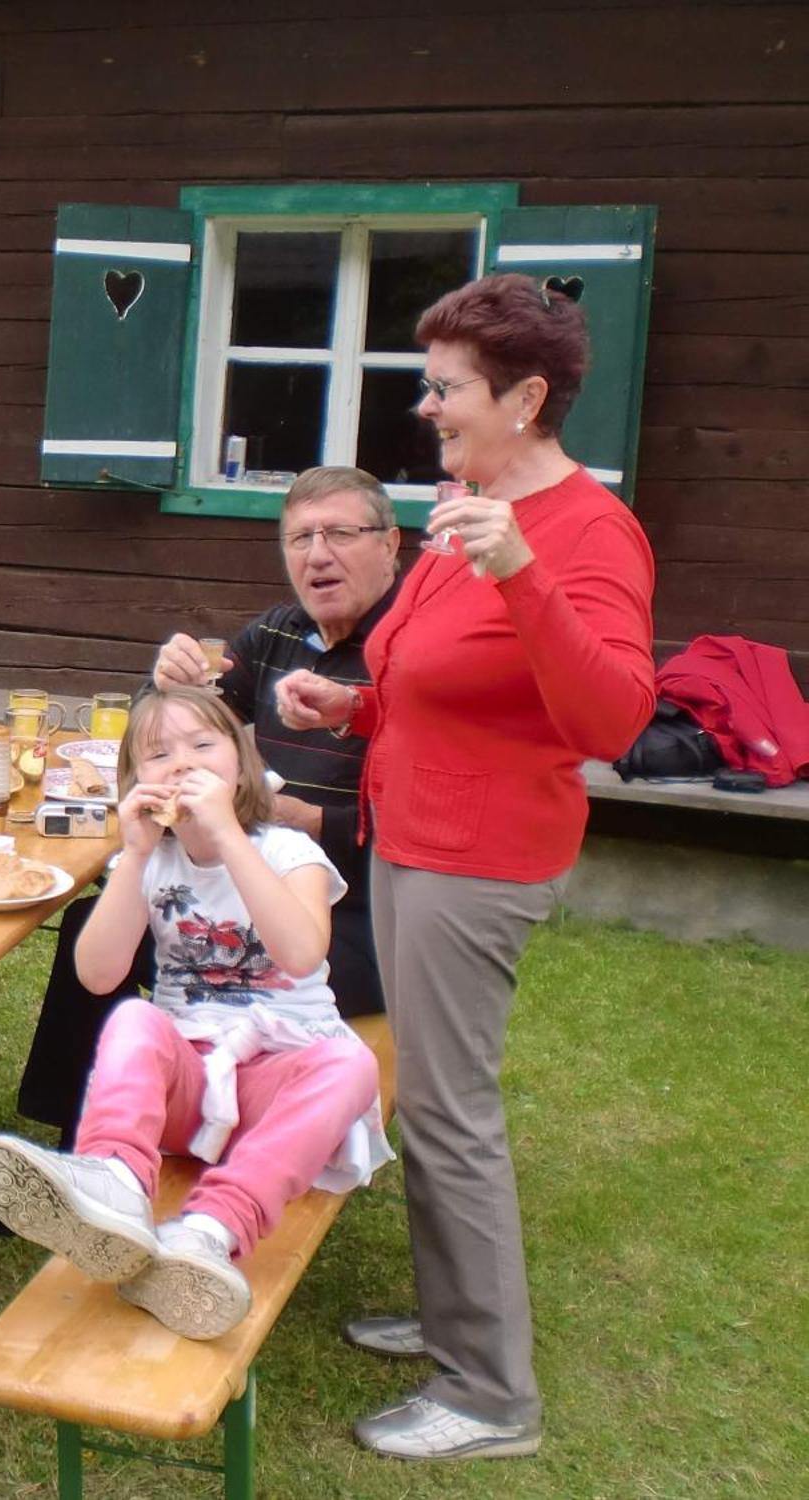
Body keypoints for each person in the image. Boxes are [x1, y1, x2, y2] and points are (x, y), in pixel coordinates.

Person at [275, 273, 655, 1460]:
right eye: (425, 384)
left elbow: (609, 717)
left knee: (448, 1116)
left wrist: (520, 576)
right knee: (434, 1103)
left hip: (476, 857)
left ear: (525, 396)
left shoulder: (583, 532)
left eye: (444, 389)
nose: (425, 407)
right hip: (413, 833)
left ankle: (488, 1394)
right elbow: (437, 675)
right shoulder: (470, 501)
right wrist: (355, 706)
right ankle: (452, 1320)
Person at [0, 467, 402, 1238]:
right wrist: (160, 681)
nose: (317, 554)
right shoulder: (270, 636)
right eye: (300, 537)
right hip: (222, 865)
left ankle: (184, 1170)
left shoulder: (410, 654)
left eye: (340, 533)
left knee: (195, 957)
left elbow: (408, 816)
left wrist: (286, 820)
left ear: (390, 544)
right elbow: (180, 733)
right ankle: (81, 1151)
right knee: (90, 933)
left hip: (354, 905)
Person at [0, 686, 391, 1341]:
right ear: (135, 782)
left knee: (350, 1064)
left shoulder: (288, 853)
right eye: (158, 753)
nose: (182, 762)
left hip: (276, 1088)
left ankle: (209, 1232)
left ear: (242, 764)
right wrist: (134, 854)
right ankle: (114, 1183)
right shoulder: (151, 860)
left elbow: (304, 953)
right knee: (134, 1021)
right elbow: (98, 974)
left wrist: (228, 836)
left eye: (202, 744)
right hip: (191, 1085)